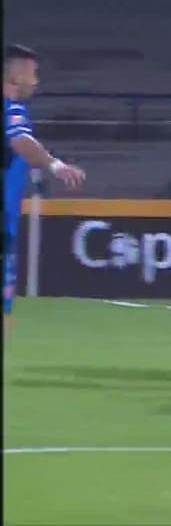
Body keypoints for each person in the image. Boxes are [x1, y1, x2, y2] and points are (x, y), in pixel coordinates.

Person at [3, 45, 86, 339]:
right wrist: (56, 166)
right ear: (15, 77)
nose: (36, 82)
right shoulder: (10, 109)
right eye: (33, 74)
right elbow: (20, 141)